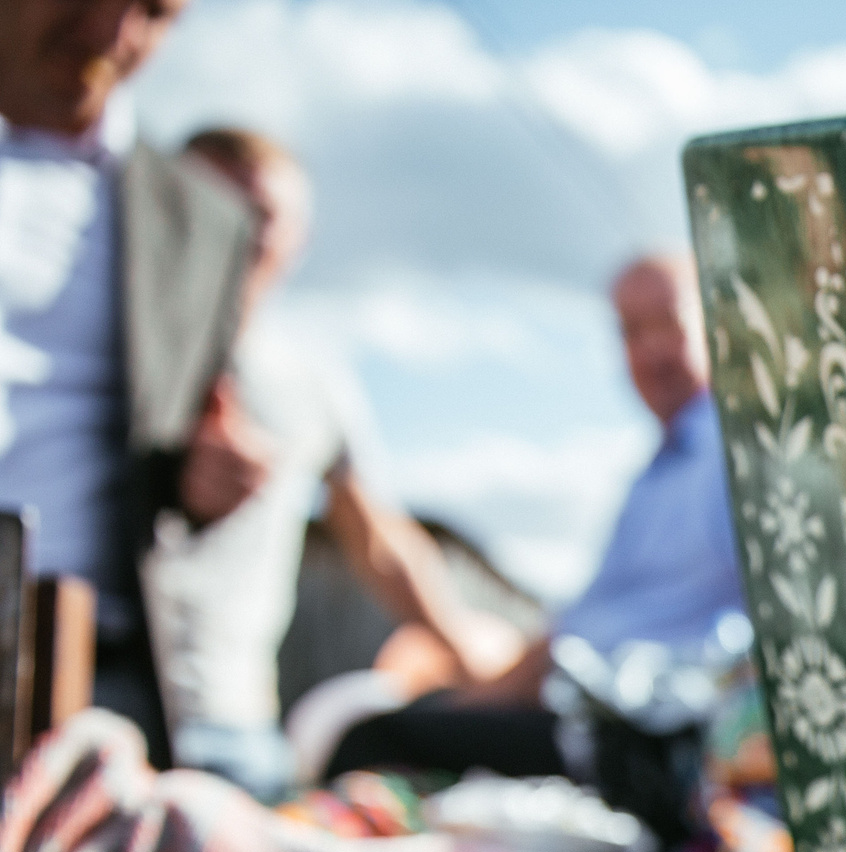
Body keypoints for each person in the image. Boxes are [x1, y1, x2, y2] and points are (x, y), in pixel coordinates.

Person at [137, 126, 522, 800]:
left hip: (235, 723)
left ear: (299, 238)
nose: (238, 233)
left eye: (263, 217)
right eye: (217, 206)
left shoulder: (307, 379)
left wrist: (472, 664)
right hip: (105, 710)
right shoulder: (107, 355)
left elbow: (377, 543)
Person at [321, 252, 745, 780]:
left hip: (643, 731)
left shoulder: (732, 461)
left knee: (373, 744)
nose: (652, 351)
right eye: (633, 332)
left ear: (717, 324)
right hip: (590, 706)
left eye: (669, 324)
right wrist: (486, 695)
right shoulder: (655, 477)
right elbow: (578, 629)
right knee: (398, 725)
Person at [0, 0, 270, 763]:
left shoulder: (203, 223)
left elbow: (182, 434)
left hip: (78, 676)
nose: (112, 33)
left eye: (154, 11)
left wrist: (203, 477)